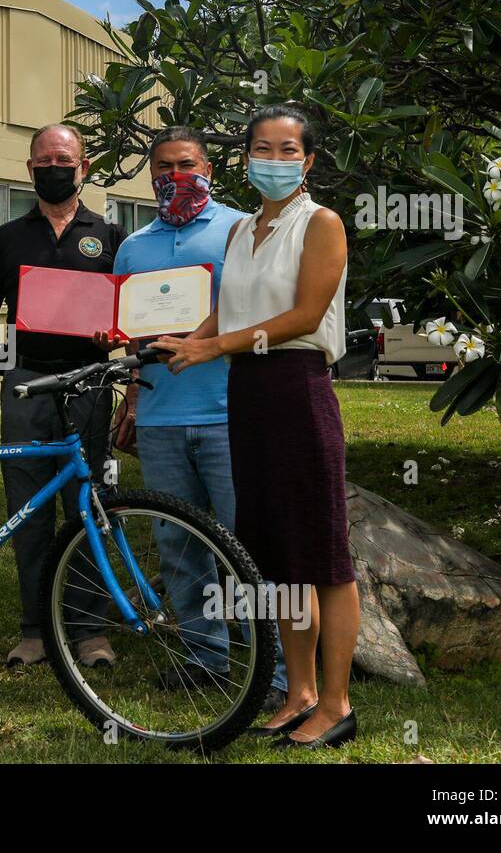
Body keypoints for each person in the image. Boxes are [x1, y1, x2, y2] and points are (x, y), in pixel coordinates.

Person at [153, 105, 359, 749]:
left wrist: (215, 349)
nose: (273, 159)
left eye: (286, 149)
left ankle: (336, 703)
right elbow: (228, 308)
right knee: (275, 556)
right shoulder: (242, 229)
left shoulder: (320, 223)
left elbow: (303, 316)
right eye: (261, 148)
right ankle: (297, 693)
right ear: (244, 157)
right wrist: (191, 340)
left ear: (309, 159)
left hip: (297, 389)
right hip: (248, 394)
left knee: (324, 557)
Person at [108, 127, 289, 708]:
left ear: (209, 168)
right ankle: (204, 657)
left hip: (231, 412)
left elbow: (263, 309)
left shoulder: (241, 229)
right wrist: (131, 399)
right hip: (161, 416)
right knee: (178, 544)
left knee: (250, 546)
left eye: (186, 164)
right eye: (163, 167)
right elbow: (130, 332)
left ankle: (277, 670)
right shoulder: (133, 245)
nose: (174, 175)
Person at [0, 123, 123, 668]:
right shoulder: (7, 238)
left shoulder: (112, 235)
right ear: (30, 169)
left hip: (91, 386)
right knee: (28, 509)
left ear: (85, 167)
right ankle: (34, 628)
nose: (55, 167)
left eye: (64, 158)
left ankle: (88, 629)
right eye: (44, 160)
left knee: (90, 504)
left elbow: (128, 314)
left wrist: (116, 337)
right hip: (25, 384)